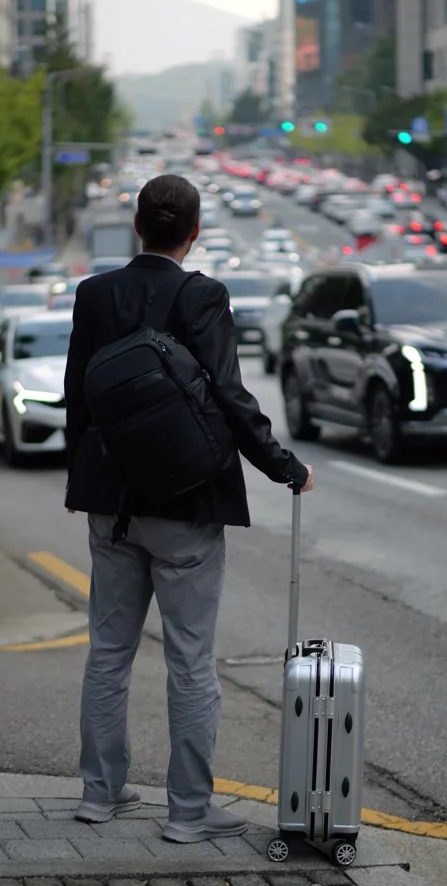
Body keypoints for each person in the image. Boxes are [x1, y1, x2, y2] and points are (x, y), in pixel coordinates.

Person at [64, 173, 314, 844]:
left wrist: (82, 482)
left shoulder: (94, 294)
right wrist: (285, 468)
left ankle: (98, 794)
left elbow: (78, 402)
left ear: (139, 227)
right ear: (193, 231)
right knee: (191, 659)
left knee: (108, 651)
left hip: (111, 504)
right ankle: (187, 811)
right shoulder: (203, 295)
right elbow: (231, 398)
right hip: (187, 506)